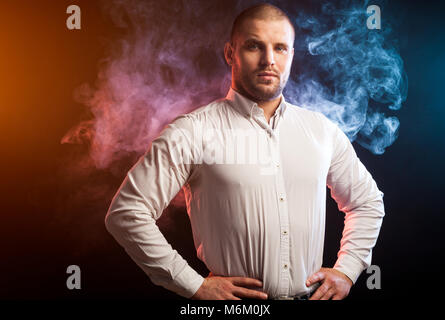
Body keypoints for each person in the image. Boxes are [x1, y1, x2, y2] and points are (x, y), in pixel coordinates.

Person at [105, 3, 385, 300]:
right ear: (230, 53)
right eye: (254, 46)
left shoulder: (321, 131)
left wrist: (348, 269)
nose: (268, 60)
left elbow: (367, 202)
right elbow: (127, 213)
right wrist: (193, 285)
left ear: (291, 55)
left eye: (280, 48)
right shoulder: (193, 132)